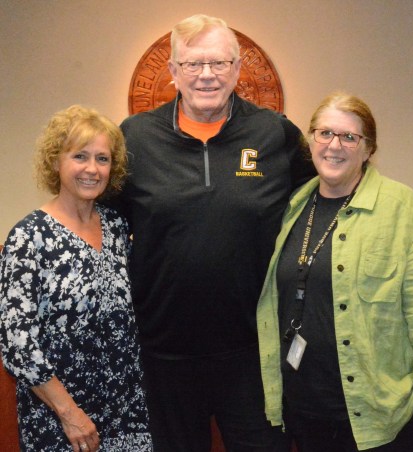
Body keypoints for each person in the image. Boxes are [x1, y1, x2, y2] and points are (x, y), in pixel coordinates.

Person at [114, 14, 316, 452]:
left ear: (238, 68)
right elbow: (101, 222)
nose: (207, 75)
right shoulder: (135, 138)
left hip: (252, 352)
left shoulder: (274, 132)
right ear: (173, 72)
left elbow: (323, 195)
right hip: (164, 355)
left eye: (219, 63)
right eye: (193, 64)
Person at [257, 92, 413, 452]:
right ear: (311, 141)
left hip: (379, 421)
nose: (334, 145)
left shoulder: (402, 210)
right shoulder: (293, 207)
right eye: (324, 134)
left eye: (349, 137)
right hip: (305, 414)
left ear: (369, 149)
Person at [0, 105, 152, 451]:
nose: (92, 169)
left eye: (102, 159)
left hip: (127, 413)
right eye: (80, 156)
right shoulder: (29, 237)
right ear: (56, 162)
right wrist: (69, 414)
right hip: (61, 421)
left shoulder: (116, 228)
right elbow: (18, 344)